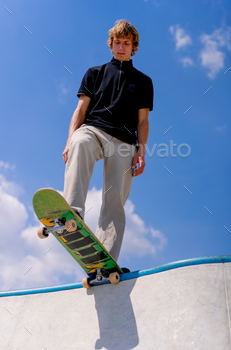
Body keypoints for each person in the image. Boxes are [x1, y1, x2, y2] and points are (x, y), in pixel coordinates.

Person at [63, 19, 153, 266]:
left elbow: (143, 122)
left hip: (124, 141)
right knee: (80, 143)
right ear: (111, 45)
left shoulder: (144, 81)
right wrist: (70, 139)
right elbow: (80, 111)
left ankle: (105, 260)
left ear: (133, 46)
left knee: (115, 202)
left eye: (126, 43)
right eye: (117, 43)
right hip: (94, 130)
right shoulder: (94, 73)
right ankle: (72, 213)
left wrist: (141, 152)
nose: (121, 47)